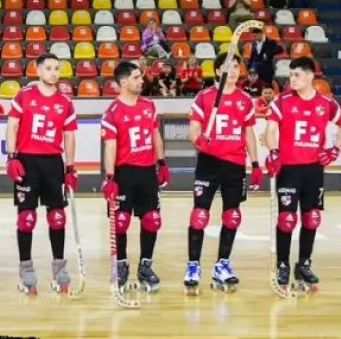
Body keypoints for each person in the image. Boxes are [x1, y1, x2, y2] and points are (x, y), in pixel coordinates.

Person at [265, 56, 341, 292]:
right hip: (289, 168)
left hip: (314, 168)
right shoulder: (282, 101)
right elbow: (271, 129)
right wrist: (273, 151)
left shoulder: (326, 103)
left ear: (311, 76)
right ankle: (282, 264)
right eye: (290, 75)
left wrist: (335, 149)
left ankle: (304, 264)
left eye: (297, 75)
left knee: (311, 218)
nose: (292, 79)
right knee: (287, 219)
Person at [185, 53, 263, 293]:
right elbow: (193, 130)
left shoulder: (245, 99)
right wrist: (199, 140)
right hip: (209, 162)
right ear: (218, 71)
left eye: (236, 66)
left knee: (232, 216)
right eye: (228, 67)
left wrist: (255, 164)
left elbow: (248, 133)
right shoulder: (204, 97)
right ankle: (193, 266)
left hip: (235, 165)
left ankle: (222, 265)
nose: (233, 71)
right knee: (200, 215)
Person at [6, 53, 78, 295]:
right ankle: (26, 268)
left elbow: (69, 135)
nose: (54, 73)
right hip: (27, 161)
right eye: (48, 68)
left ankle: (59, 267)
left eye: (57, 68)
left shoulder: (65, 101)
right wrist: (12, 157)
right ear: (38, 71)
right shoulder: (24, 95)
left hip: (53, 162)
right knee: (26, 218)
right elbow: (12, 125)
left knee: (57, 217)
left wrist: (70, 166)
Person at [100, 61, 170, 293]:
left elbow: (155, 136)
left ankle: (145, 266)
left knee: (152, 220)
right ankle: (121, 266)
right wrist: (110, 178)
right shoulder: (112, 112)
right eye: (136, 77)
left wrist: (162, 163)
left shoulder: (149, 106)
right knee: (120, 222)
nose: (141, 81)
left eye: (141, 77)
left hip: (147, 172)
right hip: (124, 173)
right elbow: (110, 147)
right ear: (123, 82)